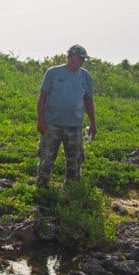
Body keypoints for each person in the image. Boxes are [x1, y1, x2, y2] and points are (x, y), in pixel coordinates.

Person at [35, 44, 97, 188]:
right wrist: (41, 121)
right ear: (69, 57)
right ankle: (42, 190)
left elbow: (88, 101)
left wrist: (93, 123)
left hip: (74, 126)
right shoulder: (53, 73)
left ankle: (71, 191)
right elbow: (42, 98)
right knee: (46, 159)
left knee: (75, 162)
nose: (80, 62)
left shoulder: (86, 76)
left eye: (83, 59)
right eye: (78, 58)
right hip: (52, 125)